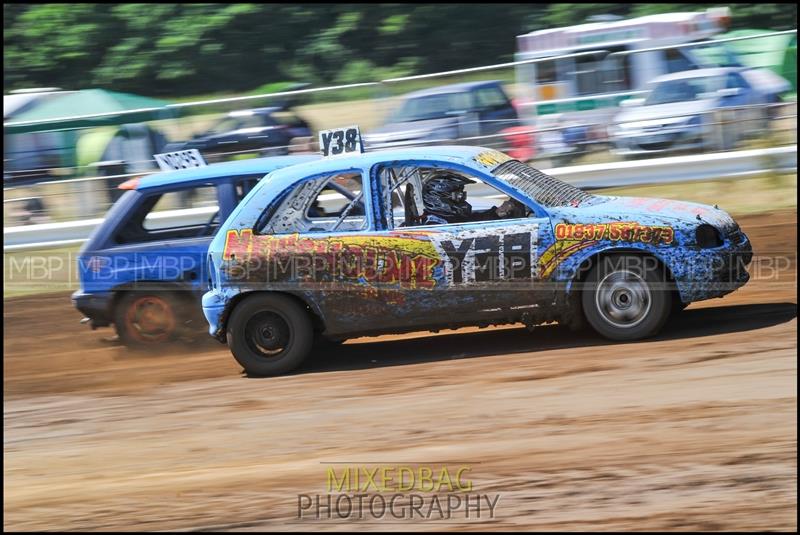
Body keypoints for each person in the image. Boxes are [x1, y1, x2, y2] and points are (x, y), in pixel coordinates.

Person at [418, 172, 526, 225]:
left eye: (462, 195)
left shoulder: (449, 217)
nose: (462, 199)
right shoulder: (436, 225)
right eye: (458, 196)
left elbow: (471, 220)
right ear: (437, 199)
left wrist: (496, 213)